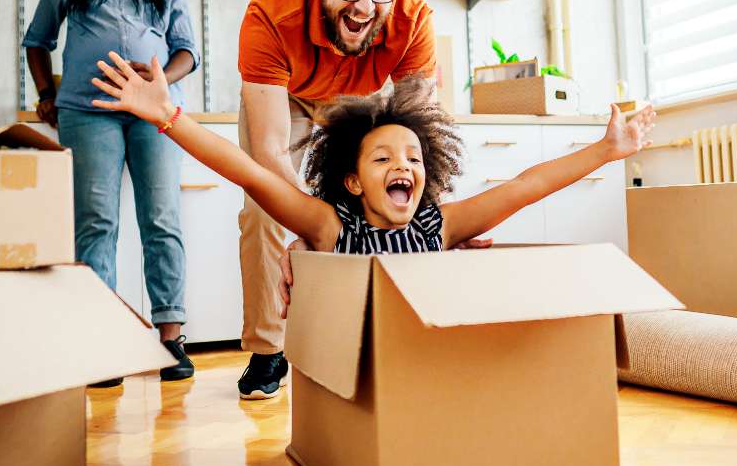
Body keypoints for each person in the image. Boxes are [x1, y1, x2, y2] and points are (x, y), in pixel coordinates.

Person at [90, 54, 657, 306]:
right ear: (354, 182)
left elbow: (527, 185)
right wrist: (169, 116)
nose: (403, 167)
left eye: (412, 157)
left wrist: (608, 149)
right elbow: (246, 171)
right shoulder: (330, 227)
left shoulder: (440, 225)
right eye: (382, 159)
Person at [233, 0, 437, 399]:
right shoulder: (271, 10)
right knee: (264, 208)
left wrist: (440, 224)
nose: (365, 6)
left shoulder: (412, 18)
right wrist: (315, 223)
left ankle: (386, 329)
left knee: (383, 205)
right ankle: (268, 349)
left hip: (359, 102)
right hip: (288, 98)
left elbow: (418, 146)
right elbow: (269, 149)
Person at [23, 0, 199, 385]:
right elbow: (37, 42)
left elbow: (187, 51)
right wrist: (45, 93)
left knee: (161, 219)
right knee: (97, 223)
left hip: (155, 115)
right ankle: (103, 339)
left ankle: (171, 339)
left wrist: (159, 79)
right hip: (88, 113)